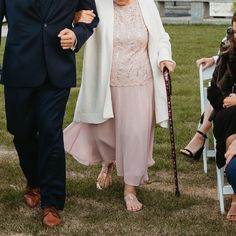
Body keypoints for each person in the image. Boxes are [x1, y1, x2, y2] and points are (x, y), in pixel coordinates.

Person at [64, 0, 175, 212]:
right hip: (107, 81)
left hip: (140, 81)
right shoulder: (99, 5)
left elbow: (161, 37)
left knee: (135, 134)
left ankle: (130, 189)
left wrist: (165, 58)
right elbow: (79, 26)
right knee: (103, 132)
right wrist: (75, 18)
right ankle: (108, 162)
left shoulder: (147, 5)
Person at [0, 0, 98, 227]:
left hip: (57, 70)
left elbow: (91, 18)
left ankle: (51, 202)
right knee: (21, 132)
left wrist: (76, 35)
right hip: (19, 68)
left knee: (50, 132)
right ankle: (34, 182)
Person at [180, 32, 231, 160]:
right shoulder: (229, 39)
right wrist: (214, 59)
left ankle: (200, 135)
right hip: (227, 97)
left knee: (220, 96)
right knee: (219, 94)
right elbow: (229, 53)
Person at [207, 12, 236, 221]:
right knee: (232, 115)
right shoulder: (228, 55)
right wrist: (225, 100)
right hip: (226, 116)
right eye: (234, 32)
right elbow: (214, 92)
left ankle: (235, 197)